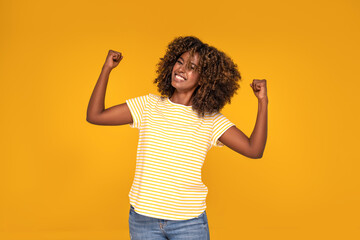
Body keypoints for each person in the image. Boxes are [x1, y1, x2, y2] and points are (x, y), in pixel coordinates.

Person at [86, 36, 268, 240]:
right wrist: (106, 69)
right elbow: (95, 115)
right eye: (179, 62)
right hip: (143, 220)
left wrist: (262, 102)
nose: (180, 69)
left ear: (205, 79)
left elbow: (254, 150)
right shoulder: (147, 106)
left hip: (188, 222)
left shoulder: (211, 120)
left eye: (191, 67)